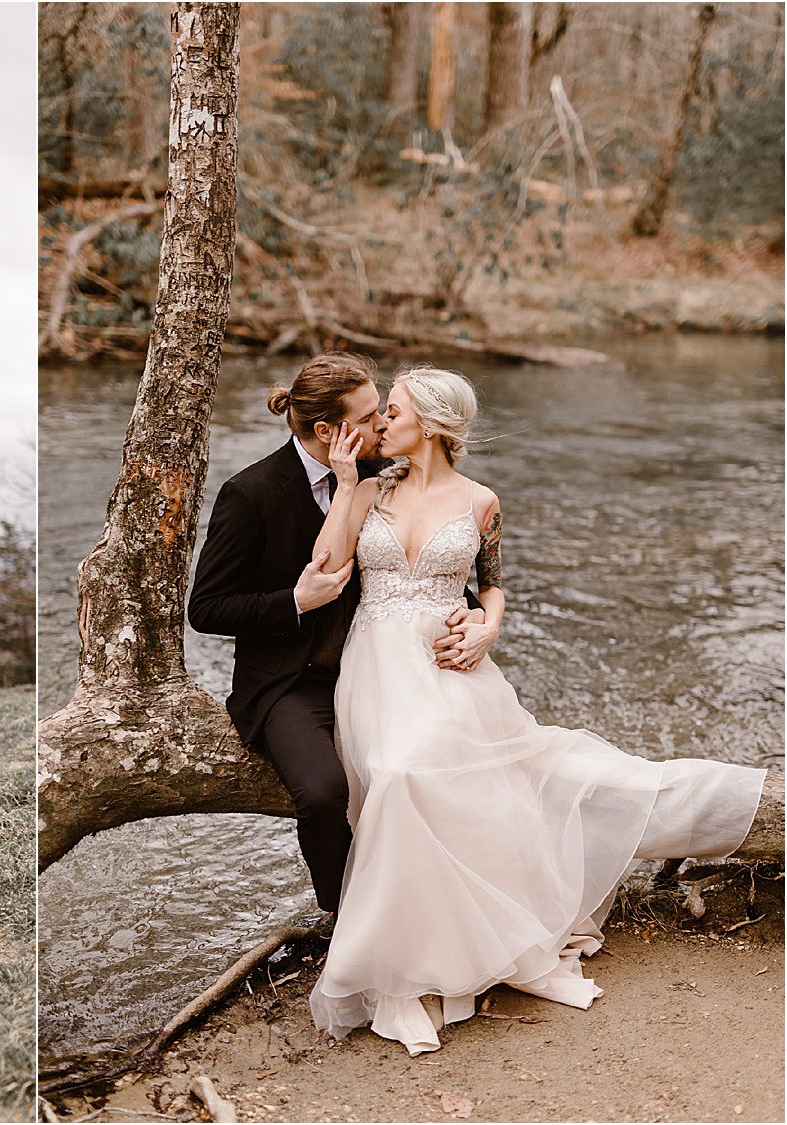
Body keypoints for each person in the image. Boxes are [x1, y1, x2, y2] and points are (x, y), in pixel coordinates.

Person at [306, 364, 767, 1054]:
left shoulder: (482, 502)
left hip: (453, 665)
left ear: (429, 424)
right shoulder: (368, 488)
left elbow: (491, 588)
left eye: (392, 412)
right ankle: (398, 973)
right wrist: (343, 487)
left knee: (465, 776)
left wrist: (488, 625)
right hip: (377, 666)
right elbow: (326, 565)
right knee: (400, 773)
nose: (380, 424)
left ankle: (455, 950)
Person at [187, 352, 488, 916]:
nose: (382, 424)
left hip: (380, 666)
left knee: (435, 768)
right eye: (371, 415)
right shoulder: (250, 494)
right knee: (325, 795)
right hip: (292, 683)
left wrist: (474, 615)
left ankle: (442, 909)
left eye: (384, 412)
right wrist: (294, 602)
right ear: (329, 430)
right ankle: (349, 915)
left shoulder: (384, 475)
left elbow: (418, 568)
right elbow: (206, 608)